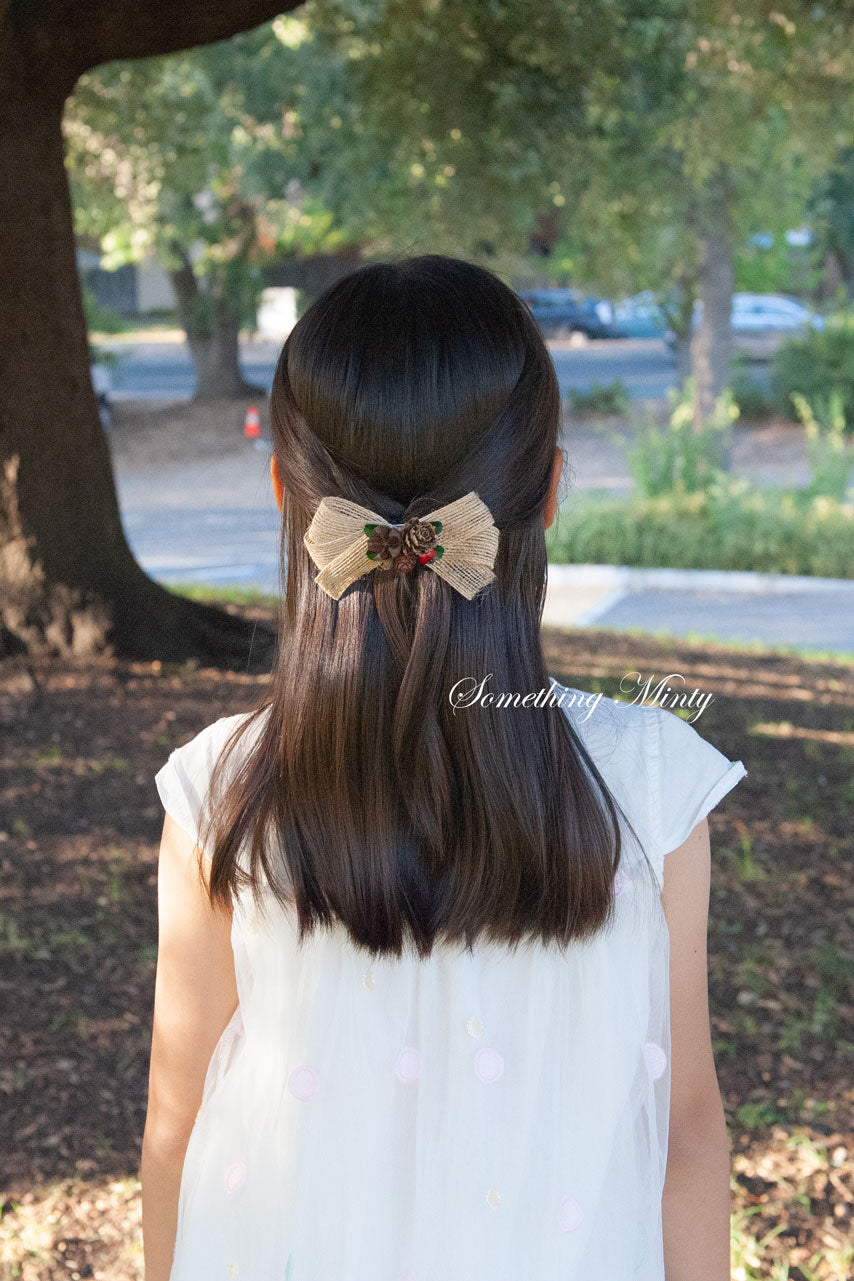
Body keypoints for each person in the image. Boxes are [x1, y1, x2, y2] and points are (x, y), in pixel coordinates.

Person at [141, 254, 747, 1281]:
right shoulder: (651, 790)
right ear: (546, 492)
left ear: (286, 496)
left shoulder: (221, 791)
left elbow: (176, 1128)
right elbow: (684, 1134)